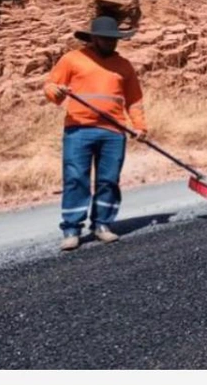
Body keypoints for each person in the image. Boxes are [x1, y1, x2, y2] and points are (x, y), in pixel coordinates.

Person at [44, 15, 147, 251]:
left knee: (109, 180)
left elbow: (134, 100)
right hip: (79, 128)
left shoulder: (124, 66)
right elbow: (50, 87)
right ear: (93, 38)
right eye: (105, 38)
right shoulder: (73, 59)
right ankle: (71, 229)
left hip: (114, 131)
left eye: (114, 39)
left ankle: (102, 225)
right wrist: (58, 92)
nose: (111, 43)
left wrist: (140, 126)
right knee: (76, 178)